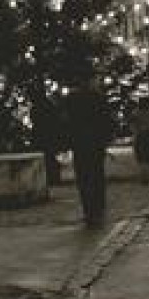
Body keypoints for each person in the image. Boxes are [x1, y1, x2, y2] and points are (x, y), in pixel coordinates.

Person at [66, 81, 113, 226]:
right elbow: (106, 120)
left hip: (79, 144)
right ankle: (98, 210)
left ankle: (88, 210)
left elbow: (67, 121)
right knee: (97, 176)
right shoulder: (98, 97)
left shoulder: (71, 99)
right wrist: (106, 140)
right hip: (96, 143)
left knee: (83, 177)